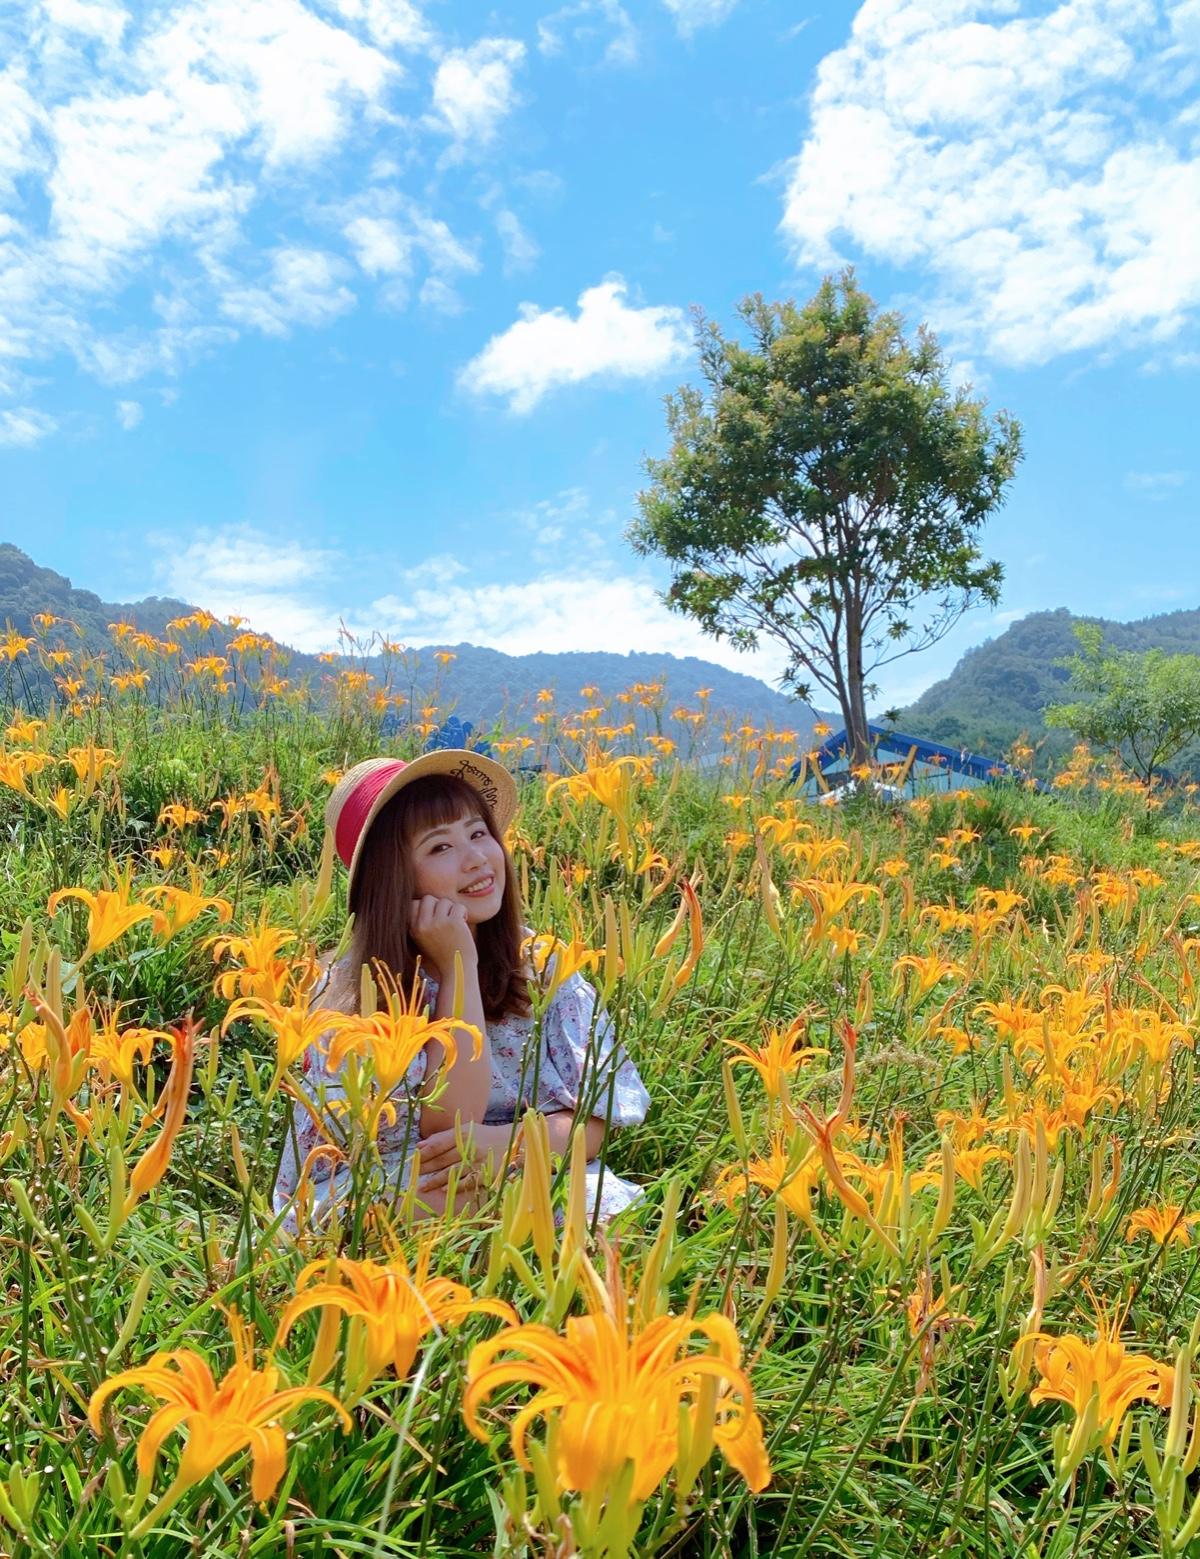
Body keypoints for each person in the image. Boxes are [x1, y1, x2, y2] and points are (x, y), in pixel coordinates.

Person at [273, 749, 650, 1232]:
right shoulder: (353, 994)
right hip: (391, 1181)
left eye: (478, 833)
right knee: (442, 1202)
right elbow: (450, 1123)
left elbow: (593, 1123)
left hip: (518, 1161)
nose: (476, 859)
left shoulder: (545, 966)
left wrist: (506, 1145)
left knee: (587, 1204)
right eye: (439, 848)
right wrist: (459, 965)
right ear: (393, 878)